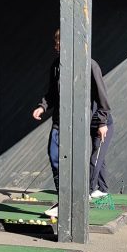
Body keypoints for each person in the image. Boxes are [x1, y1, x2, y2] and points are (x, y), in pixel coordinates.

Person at [32, 29, 114, 218]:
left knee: (92, 160)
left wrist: (102, 123)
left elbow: (103, 98)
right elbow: (52, 92)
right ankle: (64, 199)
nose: (55, 46)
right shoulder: (57, 65)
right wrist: (42, 106)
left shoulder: (91, 66)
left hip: (89, 122)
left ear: (69, 43)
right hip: (61, 121)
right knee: (54, 155)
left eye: (58, 43)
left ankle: (87, 195)